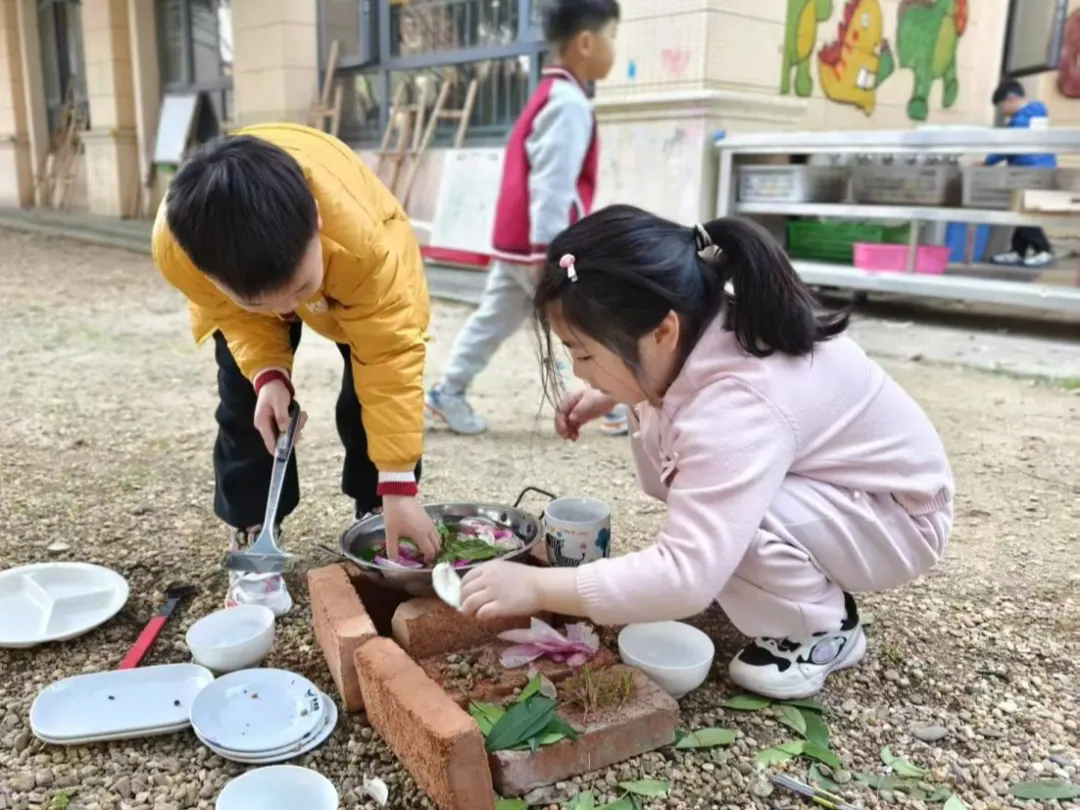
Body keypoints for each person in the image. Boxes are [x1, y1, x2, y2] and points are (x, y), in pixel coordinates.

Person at [457, 205, 955, 699]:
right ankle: (789, 583)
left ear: (662, 331)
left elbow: (685, 577)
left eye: (585, 353)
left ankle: (825, 630)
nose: (578, 371)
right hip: (849, 497)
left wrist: (537, 588)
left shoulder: (735, 405)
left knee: (731, 527)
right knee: (700, 492)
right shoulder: (705, 325)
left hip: (898, 522)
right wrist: (616, 391)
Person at [152, 124, 439, 616]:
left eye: (301, 287)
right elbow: (234, 316)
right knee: (245, 404)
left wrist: (397, 480)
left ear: (318, 221)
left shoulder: (369, 246)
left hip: (352, 273)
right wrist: (267, 373)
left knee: (366, 386)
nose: (291, 309)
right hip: (266, 283)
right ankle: (253, 530)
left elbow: (389, 356)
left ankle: (379, 505)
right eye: (269, 301)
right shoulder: (182, 251)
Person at [425, 0, 623, 436]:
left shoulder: (548, 94)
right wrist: (548, 253)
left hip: (514, 243)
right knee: (589, 316)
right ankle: (614, 401)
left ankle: (448, 391)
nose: (615, 49)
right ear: (586, 43)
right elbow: (551, 185)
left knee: (494, 318)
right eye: (612, 37)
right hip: (542, 247)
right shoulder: (569, 103)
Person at [986, 79, 1057, 268]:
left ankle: (1044, 250)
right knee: (1020, 211)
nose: (1003, 110)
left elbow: (1010, 147)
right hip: (1030, 170)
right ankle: (1018, 251)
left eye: (1002, 106)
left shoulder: (1023, 119)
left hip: (1032, 170)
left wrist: (987, 161)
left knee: (1023, 214)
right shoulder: (1030, 117)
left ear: (1011, 99)